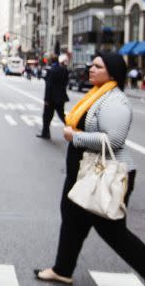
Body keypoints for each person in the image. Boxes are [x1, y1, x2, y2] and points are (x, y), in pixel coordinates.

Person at [34, 53, 145, 284]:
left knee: (113, 232)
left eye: (97, 66)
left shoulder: (115, 101)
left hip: (103, 172)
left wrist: (76, 137)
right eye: (91, 65)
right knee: (72, 219)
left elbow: (113, 140)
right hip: (84, 171)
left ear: (112, 72)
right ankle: (62, 269)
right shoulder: (98, 94)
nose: (90, 69)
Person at [36, 54, 69, 139]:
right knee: (62, 116)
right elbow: (65, 83)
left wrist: (46, 99)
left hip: (51, 98)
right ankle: (73, 128)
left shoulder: (51, 71)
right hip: (61, 97)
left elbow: (48, 86)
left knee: (46, 117)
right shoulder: (64, 70)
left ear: (51, 61)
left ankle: (45, 133)